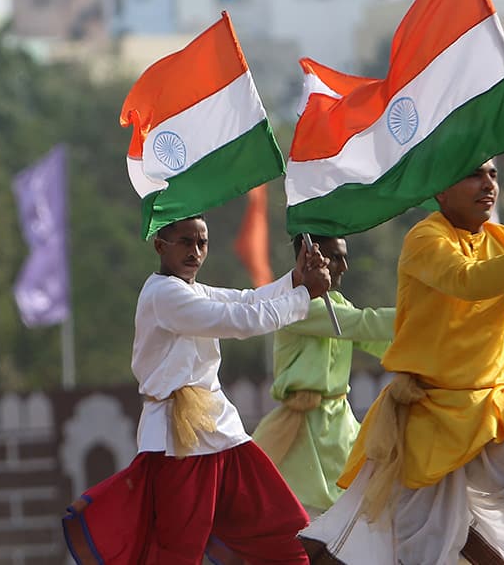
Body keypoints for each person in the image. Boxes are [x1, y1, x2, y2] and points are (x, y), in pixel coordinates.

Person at [300, 161, 504, 565]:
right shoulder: (425, 238)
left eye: (494, 174)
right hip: (427, 419)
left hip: (489, 407)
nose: (488, 184)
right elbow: (470, 281)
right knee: (419, 551)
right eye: (474, 174)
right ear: (441, 192)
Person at [62, 214, 332, 565]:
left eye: (202, 243)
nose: (195, 251)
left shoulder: (192, 290)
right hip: (178, 442)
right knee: (178, 553)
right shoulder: (164, 295)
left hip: (221, 431)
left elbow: (246, 301)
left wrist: (296, 280)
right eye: (185, 242)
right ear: (160, 246)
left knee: (289, 534)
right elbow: (237, 322)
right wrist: (304, 294)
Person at [252, 235, 394, 518]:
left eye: (344, 258)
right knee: (304, 520)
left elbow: (378, 343)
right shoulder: (295, 304)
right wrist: (424, 314)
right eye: (335, 257)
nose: (343, 266)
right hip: (301, 434)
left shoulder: (337, 303)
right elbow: (364, 324)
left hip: (340, 429)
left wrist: (429, 347)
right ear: (309, 256)